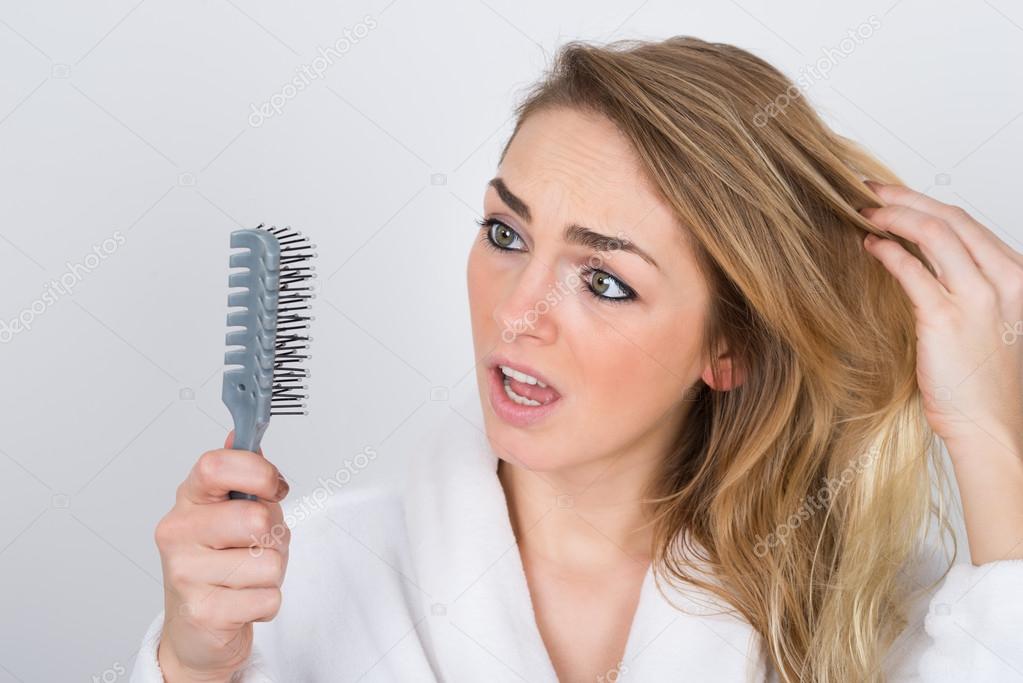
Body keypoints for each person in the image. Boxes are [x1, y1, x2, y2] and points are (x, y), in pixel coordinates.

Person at [130, 36, 1023, 682]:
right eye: (504, 232)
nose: (517, 311)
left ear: (730, 348)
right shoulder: (310, 573)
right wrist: (192, 667)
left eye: (603, 281)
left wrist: (988, 435)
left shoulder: (865, 613)